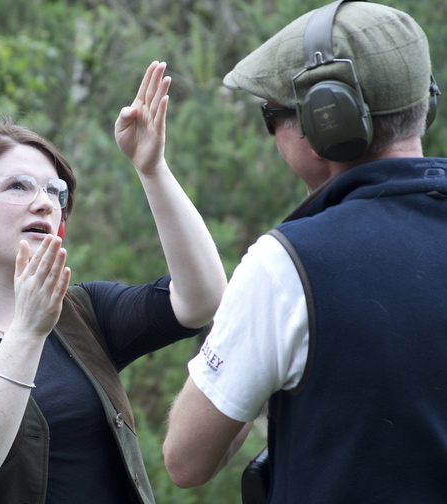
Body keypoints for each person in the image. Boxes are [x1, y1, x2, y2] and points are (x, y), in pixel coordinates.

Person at [0, 60, 227, 503]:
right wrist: (29, 330)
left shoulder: (83, 312)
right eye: (18, 186)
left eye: (55, 192)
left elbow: (202, 298)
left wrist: (152, 169)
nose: (44, 204)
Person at [162, 1, 447, 502]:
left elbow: (185, 459)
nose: (271, 132)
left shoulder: (289, 266)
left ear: (325, 120)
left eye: (271, 114)